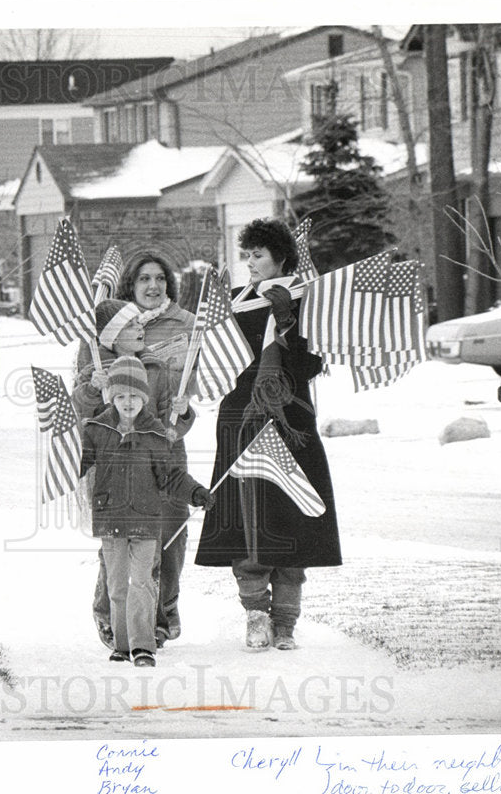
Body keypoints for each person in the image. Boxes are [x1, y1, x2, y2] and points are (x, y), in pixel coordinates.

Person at [194, 218, 342, 651]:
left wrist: (288, 322)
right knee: (246, 522)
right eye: (248, 254)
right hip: (240, 420)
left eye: (259, 254)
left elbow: (314, 363)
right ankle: (256, 614)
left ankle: (286, 624)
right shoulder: (237, 302)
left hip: (291, 423)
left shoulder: (303, 302)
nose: (251, 262)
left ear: (281, 258)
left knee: (292, 519)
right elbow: (216, 359)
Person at [78, 254, 196, 647]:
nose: (153, 285)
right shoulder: (99, 352)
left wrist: (181, 418)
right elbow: (82, 407)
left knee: (166, 539)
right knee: (117, 544)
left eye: (161, 277)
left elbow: (174, 408)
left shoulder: (179, 331)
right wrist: (94, 386)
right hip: (115, 463)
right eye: (144, 278)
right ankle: (112, 617)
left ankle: (157, 617)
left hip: (162, 457)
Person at [80, 355, 214, 667]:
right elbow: (79, 461)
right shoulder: (98, 430)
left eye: (135, 396)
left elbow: (172, 476)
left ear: (144, 398)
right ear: (112, 397)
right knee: (116, 587)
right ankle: (121, 644)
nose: (128, 403)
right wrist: (64, 463)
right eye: (121, 396)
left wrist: (195, 492)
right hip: (111, 519)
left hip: (145, 521)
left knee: (141, 583)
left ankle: (143, 646)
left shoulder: (155, 435)